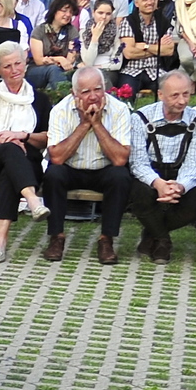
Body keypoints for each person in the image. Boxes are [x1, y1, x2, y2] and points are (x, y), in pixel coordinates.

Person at [37, 67, 135, 265]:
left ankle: (106, 240)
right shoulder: (60, 110)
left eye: (97, 89)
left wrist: (97, 125)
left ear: (105, 88)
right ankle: (56, 237)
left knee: (121, 176)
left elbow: (120, 159)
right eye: (86, 92)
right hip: (70, 168)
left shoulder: (120, 110)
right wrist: (83, 125)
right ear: (74, 94)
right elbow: (56, 157)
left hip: (104, 169)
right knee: (53, 174)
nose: (93, 97)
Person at [0, 42, 51, 259]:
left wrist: (24, 135)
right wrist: (0, 137)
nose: (14, 70)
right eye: (7, 66)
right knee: (9, 149)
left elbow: (48, 138)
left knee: (10, 172)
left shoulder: (39, 100)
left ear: (26, 63)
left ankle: (0, 240)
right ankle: (32, 199)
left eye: (18, 64)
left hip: (26, 162)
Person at [121, 70, 196, 264]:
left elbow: (194, 163)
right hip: (150, 174)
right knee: (140, 195)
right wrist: (158, 183)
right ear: (161, 95)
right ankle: (163, 241)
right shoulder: (141, 118)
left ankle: (151, 234)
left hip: (180, 174)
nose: (182, 101)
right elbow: (138, 162)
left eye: (186, 94)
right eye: (175, 95)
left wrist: (180, 186)